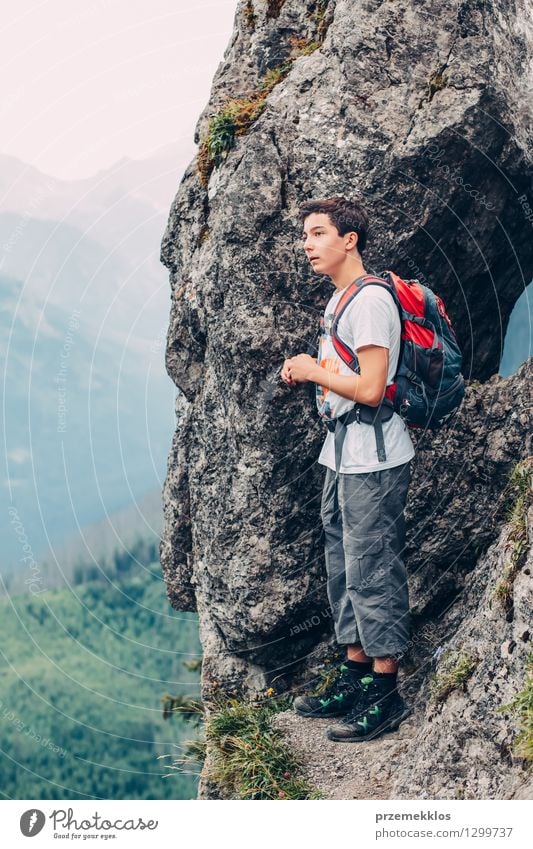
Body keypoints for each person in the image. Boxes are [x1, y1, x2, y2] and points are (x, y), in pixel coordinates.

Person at [280, 196, 415, 742]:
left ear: (349, 239)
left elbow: (372, 388)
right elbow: (346, 375)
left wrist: (314, 371)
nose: (307, 245)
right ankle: (354, 675)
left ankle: (386, 694)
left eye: (318, 234)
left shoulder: (370, 303)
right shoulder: (340, 300)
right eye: (306, 235)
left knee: (372, 572)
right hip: (341, 455)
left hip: (374, 460)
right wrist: (310, 371)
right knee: (342, 568)